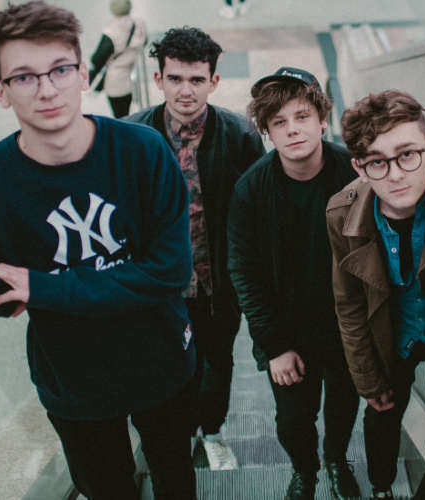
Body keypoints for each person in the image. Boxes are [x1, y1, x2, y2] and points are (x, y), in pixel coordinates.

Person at [0, 2, 196, 499]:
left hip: (160, 359)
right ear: (1, 92)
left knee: (176, 479)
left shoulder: (142, 151)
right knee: (106, 490)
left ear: (82, 73)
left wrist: (41, 287)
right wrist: (0, 292)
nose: (47, 89)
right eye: (24, 77)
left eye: (60, 69)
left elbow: (168, 271)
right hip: (72, 379)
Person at [127, 26, 265, 471]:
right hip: (159, 285)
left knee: (217, 361)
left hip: (217, 283)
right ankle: (177, 434)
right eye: (175, 79)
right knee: (166, 364)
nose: (185, 91)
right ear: (158, 79)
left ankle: (212, 432)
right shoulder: (133, 135)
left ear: (214, 81)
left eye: (196, 80)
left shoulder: (240, 134)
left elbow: (257, 210)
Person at [326, 89, 425, 499]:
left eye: (407, 154)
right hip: (392, 334)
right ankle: (380, 486)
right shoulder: (341, 212)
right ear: (359, 167)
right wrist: (366, 378)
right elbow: (349, 302)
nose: (394, 174)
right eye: (377, 161)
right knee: (381, 415)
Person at [228, 67, 361, 500]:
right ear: (267, 132)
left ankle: (337, 460)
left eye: (302, 116)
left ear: (323, 120)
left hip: (346, 324)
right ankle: (304, 470)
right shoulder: (251, 189)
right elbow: (244, 272)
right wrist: (274, 346)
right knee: (292, 420)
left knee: (343, 405)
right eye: (279, 122)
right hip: (288, 330)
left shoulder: (354, 173)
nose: (293, 130)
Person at [89, 0, 147, 118]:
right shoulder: (139, 24)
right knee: (126, 112)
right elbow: (144, 42)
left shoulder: (111, 30)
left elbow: (97, 59)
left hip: (114, 82)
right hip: (129, 79)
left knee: (119, 116)